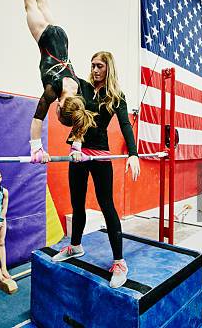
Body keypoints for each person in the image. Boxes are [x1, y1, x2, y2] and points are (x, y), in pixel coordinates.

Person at [51, 51, 140, 289]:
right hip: (78, 152)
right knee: (77, 203)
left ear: (108, 67)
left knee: (106, 205)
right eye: (92, 65)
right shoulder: (82, 87)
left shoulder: (116, 96)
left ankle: (119, 262)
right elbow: (64, 80)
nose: (95, 70)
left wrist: (133, 153)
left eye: (99, 66)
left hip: (100, 154)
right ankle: (76, 246)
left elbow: (124, 124)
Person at [14, 0, 96, 163]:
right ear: (58, 106)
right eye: (58, 115)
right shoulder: (52, 91)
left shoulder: (79, 97)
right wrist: (36, 149)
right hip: (46, 38)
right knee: (30, 5)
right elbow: (37, 119)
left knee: (43, 4)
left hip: (62, 37)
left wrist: (77, 148)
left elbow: (80, 120)